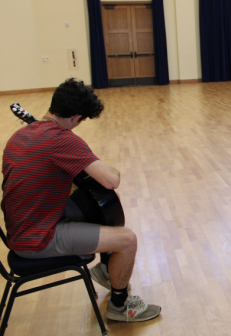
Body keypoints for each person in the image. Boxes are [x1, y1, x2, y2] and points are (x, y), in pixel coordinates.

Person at [1, 78, 161, 322]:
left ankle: (107, 271)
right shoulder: (61, 139)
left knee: (98, 213)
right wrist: (113, 169)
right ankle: (120, 306)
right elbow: (110, 180)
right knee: (127, 239)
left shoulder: (19, 136)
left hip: (19, 229)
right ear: (76, 117)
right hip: (37, 239)